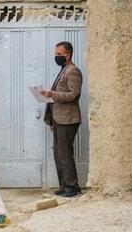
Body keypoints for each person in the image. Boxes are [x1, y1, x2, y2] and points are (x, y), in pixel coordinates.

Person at [41, 41, 82, 198]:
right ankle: (64, 185)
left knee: (65, 154)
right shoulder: (64, 70)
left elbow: (74, 94)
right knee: (58, 154)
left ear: (67, 55)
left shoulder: (73, 71)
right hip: (59, 119)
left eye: (59, 54)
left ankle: (73, 187)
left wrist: (53, 94)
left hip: (68, 119)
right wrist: (51, 118)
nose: (56, 57)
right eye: (55, 54)